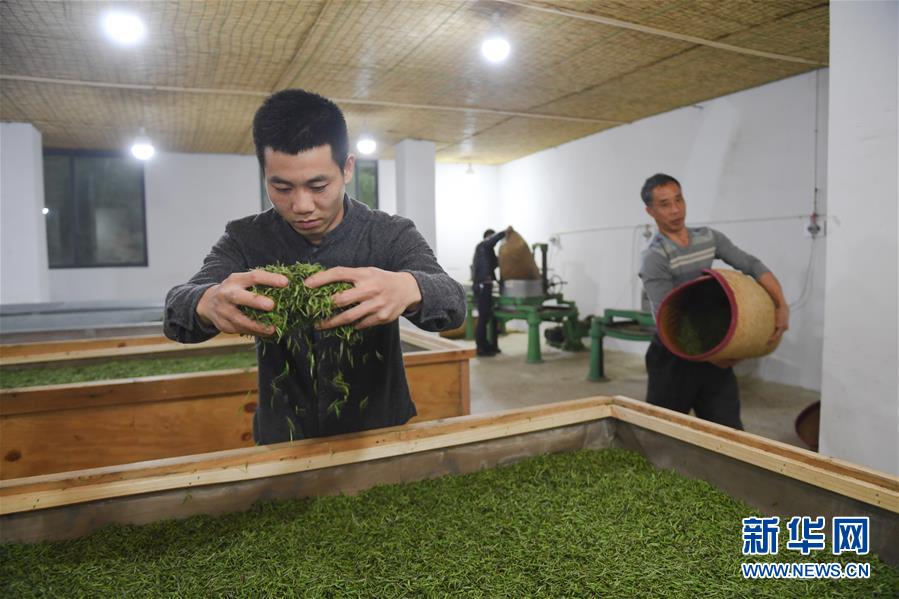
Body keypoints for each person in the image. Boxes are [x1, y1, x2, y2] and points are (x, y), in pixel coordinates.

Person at [164, 89, 465, 444]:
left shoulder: (389, 234)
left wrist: (411, 288)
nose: (302, 205)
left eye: (318, 185)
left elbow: (455, 303)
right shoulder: (246, 238)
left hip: (379, 434)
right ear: (265, 173)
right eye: (282, 187)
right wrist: (206, 302)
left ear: (347, 168)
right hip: (284, 437)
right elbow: (177, 311)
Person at [638, 173, 789, 429]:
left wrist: (781, 304)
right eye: (665, 204)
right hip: (674, 354)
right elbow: (666, 317)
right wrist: (712, 357)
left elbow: (750, 264)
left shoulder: (708, 238)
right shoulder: (654, 257)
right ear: (650, 211)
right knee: (663, 433)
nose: (676, 210)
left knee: (728, 431)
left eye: (679, 199)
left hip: (713, 343)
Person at [471, 227, 510, 356]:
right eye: (491, 237)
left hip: (486, 286)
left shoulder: (488, 251)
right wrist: (504, 233)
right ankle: (481, 348)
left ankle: (489, 345)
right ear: (487, 238)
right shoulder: (483, 246)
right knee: (483, 318)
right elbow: (491, 242)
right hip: (482, 285)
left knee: (488, 317)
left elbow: (495, 264)